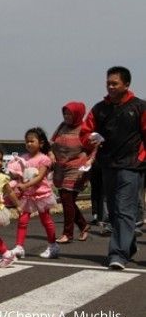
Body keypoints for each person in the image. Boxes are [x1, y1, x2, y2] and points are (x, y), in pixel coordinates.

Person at [80, 66, 145, 270]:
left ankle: (117, 254)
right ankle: (129, 244)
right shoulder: (99, 109)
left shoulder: (140, 107)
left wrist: (142, 158)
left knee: (125, 209)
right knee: (115, 211)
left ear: (126, 85)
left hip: (132, 166)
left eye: (114, 83)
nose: (110, 86)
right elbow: (85, 132)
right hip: (107, 165)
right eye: (108, 83)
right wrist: (91, 140)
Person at [10, 127, 59, 260]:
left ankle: (53, 245)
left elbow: (40, 177)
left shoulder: (44, 159)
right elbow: (19, 174)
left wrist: (25, 185)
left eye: (32, 141)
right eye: (27, 141)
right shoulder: (23, 158)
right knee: (23, 220)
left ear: (41, 143)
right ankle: (19, 247)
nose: (29, 144)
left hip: (41, 194)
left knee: (46, 220)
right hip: (27, 195)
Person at [49, 102, 92, 243]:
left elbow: (94, 148)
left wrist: (89, 162)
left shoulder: (84, 129)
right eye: (65, 114)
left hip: (76, 168)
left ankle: (68, 234)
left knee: (67, 198)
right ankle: (83, 225)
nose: (67, 117)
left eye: (70, 114)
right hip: (61, 167)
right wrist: (51, 154)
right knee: (68, 201)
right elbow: (52, 143)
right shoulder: (62, 127)